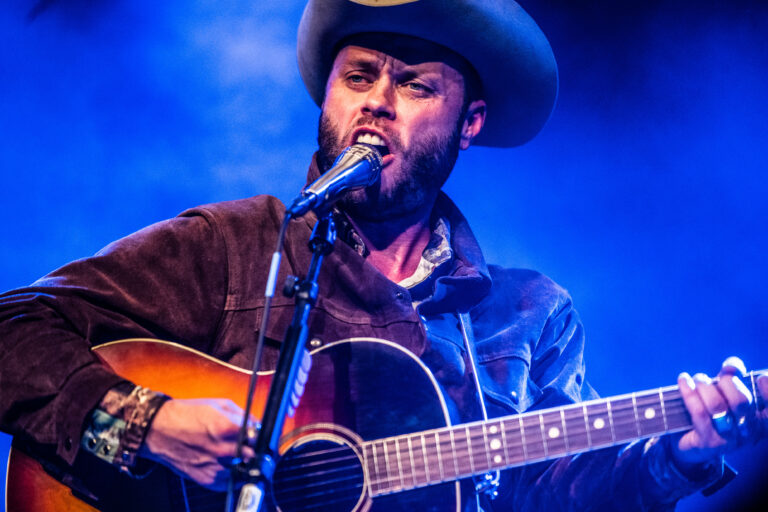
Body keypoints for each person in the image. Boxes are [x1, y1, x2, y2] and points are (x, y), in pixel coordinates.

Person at [1, 0, 766, 510]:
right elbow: (14, 330)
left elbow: (551, 489)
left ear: (468, 123)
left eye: (414, 85)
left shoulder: (528, 313)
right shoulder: (234, 246)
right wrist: (142, 422)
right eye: (359, 77)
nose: (377, 100)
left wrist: (682, 452)